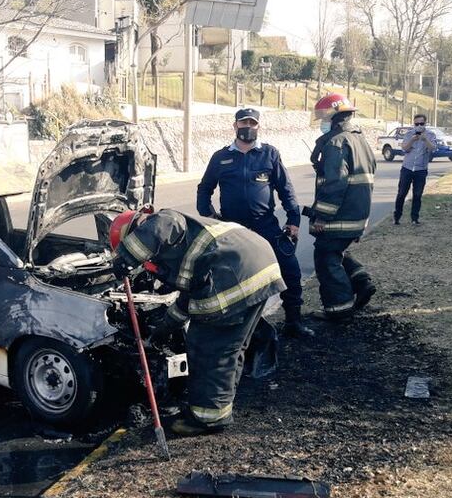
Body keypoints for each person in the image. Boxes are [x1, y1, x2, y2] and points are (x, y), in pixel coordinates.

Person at [109, 208, 285, 436]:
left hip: (234, 273)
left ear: (135, 233)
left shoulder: (163, 221)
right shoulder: (183, 244)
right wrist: (164, 329)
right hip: (258, 267)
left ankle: (206, 419)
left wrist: (125, 258)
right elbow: (187, 296)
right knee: (231, 348)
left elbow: (166, 221)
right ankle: (219, 406)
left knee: (207, 347)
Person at [196, 107, 314, 338]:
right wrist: (210, 218)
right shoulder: (220, 157)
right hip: (232, 229)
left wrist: (293, 220)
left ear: (259, 126)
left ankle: (293, 321)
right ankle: (235, 328)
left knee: (290, 270)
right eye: (243, 123)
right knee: (229, 277)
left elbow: (286, 190)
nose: (247, 127)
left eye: (252, 123)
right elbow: (204, 190)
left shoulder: (269, 154)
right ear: (235, 126)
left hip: (265, 226)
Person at [308, 93, 377, 321]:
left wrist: (321, 217)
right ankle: (361, 280)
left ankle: (339, 309)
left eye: (323, 118)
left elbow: (335, 184)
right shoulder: (359, 140)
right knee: (336, 251)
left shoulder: (337, 143)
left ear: (334, 117)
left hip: (338, 217)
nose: (321, 123)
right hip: (356, 216)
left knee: (326, 257)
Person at [394, 114, 437, 225]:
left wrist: (425, 140)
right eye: (416, 124)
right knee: (401, 193)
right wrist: (412, 140)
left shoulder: (431, 135)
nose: (418, 126)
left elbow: (433, 148)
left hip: (421, 169)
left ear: (425, 124)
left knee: (417, 195)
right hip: (407, 168)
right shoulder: (409, 134)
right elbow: (404, 148)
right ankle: (397, 217)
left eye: (421, 124)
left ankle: (414, 219)